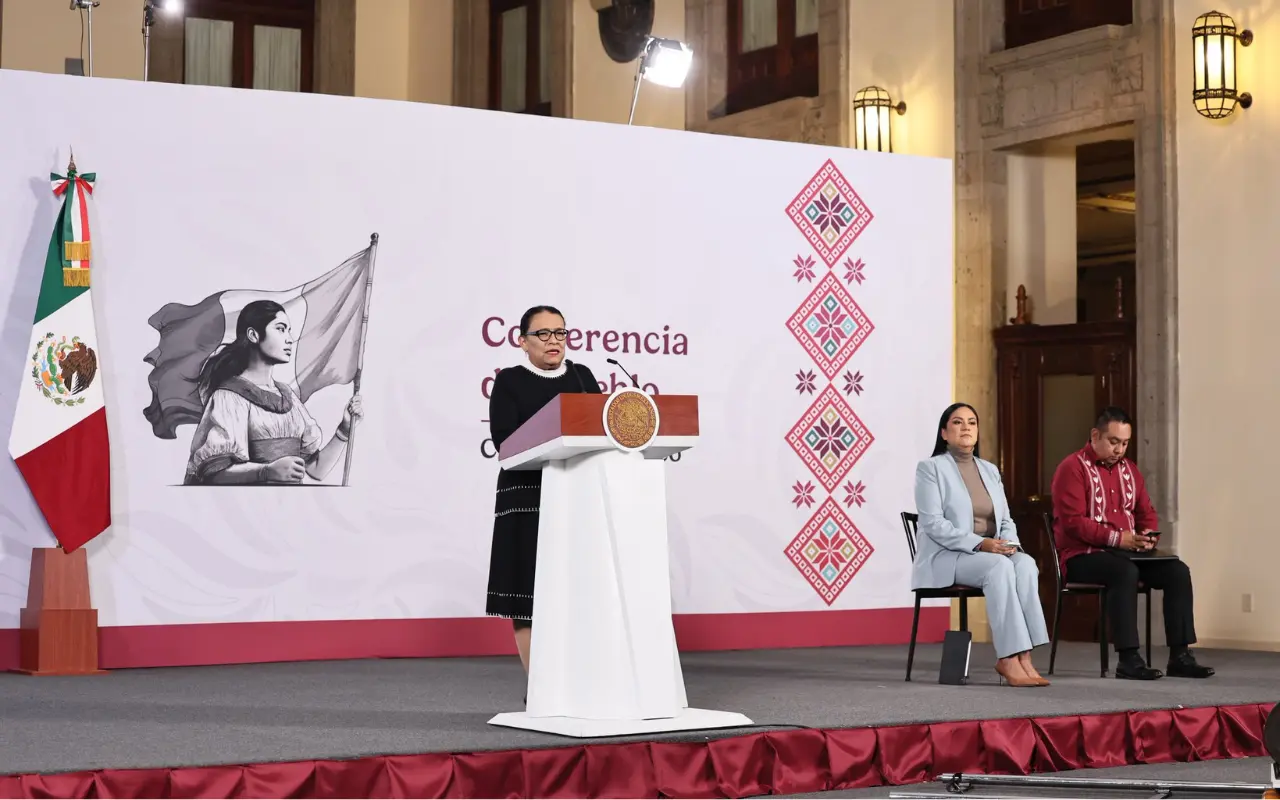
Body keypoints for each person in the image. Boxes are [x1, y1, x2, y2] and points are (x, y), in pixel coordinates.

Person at [1050, 406, 1213, 680]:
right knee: (1124, 572)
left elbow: (1145, 511)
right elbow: (1073, 523)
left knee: (1177, 571)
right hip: (1082, 556)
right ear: (1095, 435)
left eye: (1124, 443)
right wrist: (1118, 538)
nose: (1119, 449)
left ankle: (1181, 656)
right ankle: (1128, 659)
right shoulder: (1072, 468)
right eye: (1113, 442)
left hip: (1127, 553)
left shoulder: (1130, 470)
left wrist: (1147, 536)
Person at [485, 305, 601, 685]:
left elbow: (601, 431)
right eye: (544, 334)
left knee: (579, 593)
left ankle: (581, 684)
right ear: (523, 341)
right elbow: (506, 442)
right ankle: (541, 690)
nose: (554, 341)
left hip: (577, 497)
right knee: (528, 599)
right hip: (528, 497)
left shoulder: (582, 376)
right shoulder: (510, 382)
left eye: (560, 333)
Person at [913, 403, 1051, 688]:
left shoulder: (989, 470)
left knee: (1025, 563)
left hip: (988, 553)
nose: (966, 427)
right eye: (957, 422)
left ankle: (1025, 654)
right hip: (947, 555)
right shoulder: (930, 468)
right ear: (944, 433)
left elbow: (1006, 518)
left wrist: (1009, 544)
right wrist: (981, 544)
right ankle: (1008, 658)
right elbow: (933, 524)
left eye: (972, 422)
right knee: (998, 567)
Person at [184, 300, 362, 485]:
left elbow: (316, 470)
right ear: (253, 335)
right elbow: (213, 474)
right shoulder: (229, 397)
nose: (289, 338)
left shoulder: (289, 397)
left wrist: (344, 430)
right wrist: (266, 472)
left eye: (289, 330)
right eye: (280, 328)